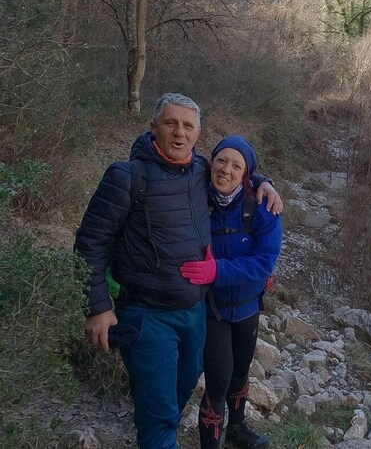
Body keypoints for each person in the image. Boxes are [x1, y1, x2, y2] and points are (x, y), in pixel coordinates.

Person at [74, 94, 282, 449]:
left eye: (188, 126)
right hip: (147, 315)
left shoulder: (200, 171)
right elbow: (88, 243)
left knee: (180, 394)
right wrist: (98, 306)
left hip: (194, 313)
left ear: (199, 133)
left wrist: (263, 181)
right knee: (159, 415)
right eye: (171, 123)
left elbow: (233, 169)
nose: (179, 133)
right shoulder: (126, 177)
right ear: (153, 127)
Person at [181, 136, 281, 449]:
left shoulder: (263, 207)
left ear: (246, 174)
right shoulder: (195, 197)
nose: (226, 169)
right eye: (221, 161)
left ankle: (236, 430)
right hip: (213, 309)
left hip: (248, 307)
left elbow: (264, 262)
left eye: (236, 165)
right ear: (211, 163)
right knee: (218, 382)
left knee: (240, 374)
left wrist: (218, 271)